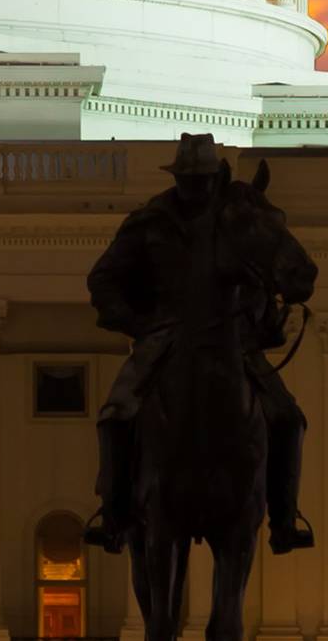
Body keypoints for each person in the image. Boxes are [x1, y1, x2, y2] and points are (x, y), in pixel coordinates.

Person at [86, 131, 315, 554]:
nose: (198, 188)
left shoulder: (232, 225)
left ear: (215, 179)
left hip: (234, 341)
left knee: (287, 417)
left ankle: (284, 517)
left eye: (205, 180)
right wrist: (136, 322)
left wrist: (264, 317)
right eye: (190, 180)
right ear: (177, 180)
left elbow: (259, 274)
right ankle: (114, 513)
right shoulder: (150, 222)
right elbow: (103, 280)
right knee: (116, 414)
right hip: (163, 337)